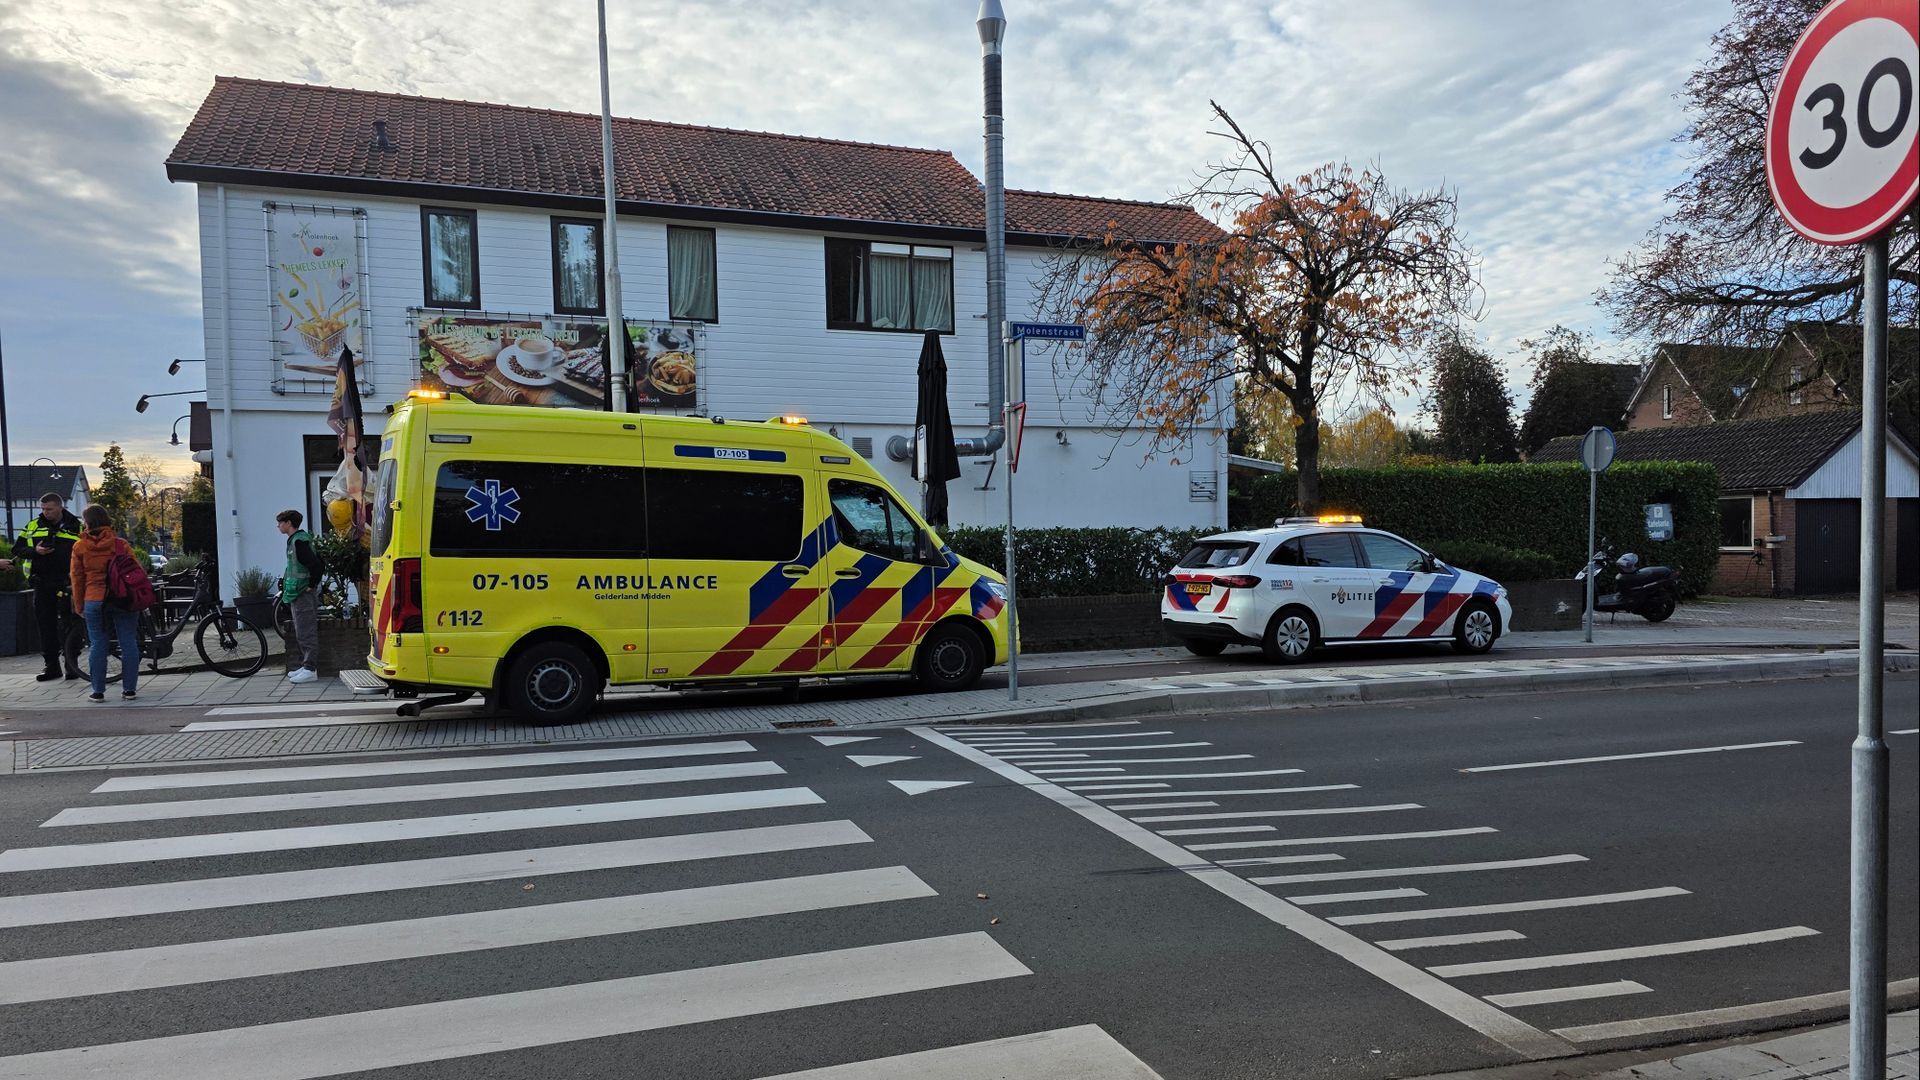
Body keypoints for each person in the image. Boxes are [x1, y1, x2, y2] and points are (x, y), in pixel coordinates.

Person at [9, 493, 85, 681]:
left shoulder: (76, 526)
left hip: (68, 583)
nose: (45, 512)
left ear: (60, 507)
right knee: (45, 625)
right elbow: (17, 550)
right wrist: (35, 551)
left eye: (49, 509)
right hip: (42, 582)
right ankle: (51, 667)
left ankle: (71, 666)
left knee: (71, 624)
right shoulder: (33, 526)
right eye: (42, 508)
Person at [70, 504, 140, 702]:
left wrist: (79, 604)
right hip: (122, 598)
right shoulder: (120, 544)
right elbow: (136, 570)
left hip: (94, 599)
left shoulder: (80, 546)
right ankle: (129, 690)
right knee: (128, 643)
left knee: (98, 644)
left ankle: (98, 691)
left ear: (88, 522)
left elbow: (77, 577)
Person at [278, 509, 324, 683]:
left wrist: (311, 586)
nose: (278, 525)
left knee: (306, 631)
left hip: (303, 593)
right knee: (301, 630)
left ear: (289, 523)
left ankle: (310, 669)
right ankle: (305, 666)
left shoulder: (299, 542)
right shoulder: (296, 540)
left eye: (280, 522)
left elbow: (317, 565)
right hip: (297, 592)